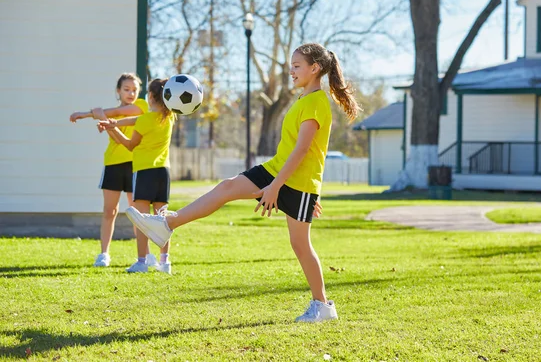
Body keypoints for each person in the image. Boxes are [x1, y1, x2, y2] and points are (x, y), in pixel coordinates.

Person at [125, 43, 360, 321]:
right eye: (291, 66)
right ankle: (167, 224)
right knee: (227, 187)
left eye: (296, 66)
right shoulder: (304, 100)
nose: (291, 71)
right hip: (277, 170)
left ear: (315, 68)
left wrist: (278, 188)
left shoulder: (317, 102)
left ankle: (323, 306)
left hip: (294, 181)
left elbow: (304, 150)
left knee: (300, 245)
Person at [69, 73, 154, 268]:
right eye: (126, 89)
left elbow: (118, 114)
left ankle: (145, 256)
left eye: (134, 89)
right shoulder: (112, 114)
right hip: (113, 164)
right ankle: (104, 254)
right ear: (118, 91)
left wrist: (89, 114)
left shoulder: (141, 106)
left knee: (136, 212)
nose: (131, 93)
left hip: (135, 164)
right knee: (110, 211)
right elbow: (117, 138)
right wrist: (100, 117)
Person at [98, 78, 175, 274]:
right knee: (162, 218)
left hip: (144, 172)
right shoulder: (170, 117)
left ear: (149, 96)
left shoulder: (144, 121)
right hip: (163, 173)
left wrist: (113, 128)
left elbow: (130, 144)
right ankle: (165, 262)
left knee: (142, 219)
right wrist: (114, 122)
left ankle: (141, 261)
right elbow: (134, 120)